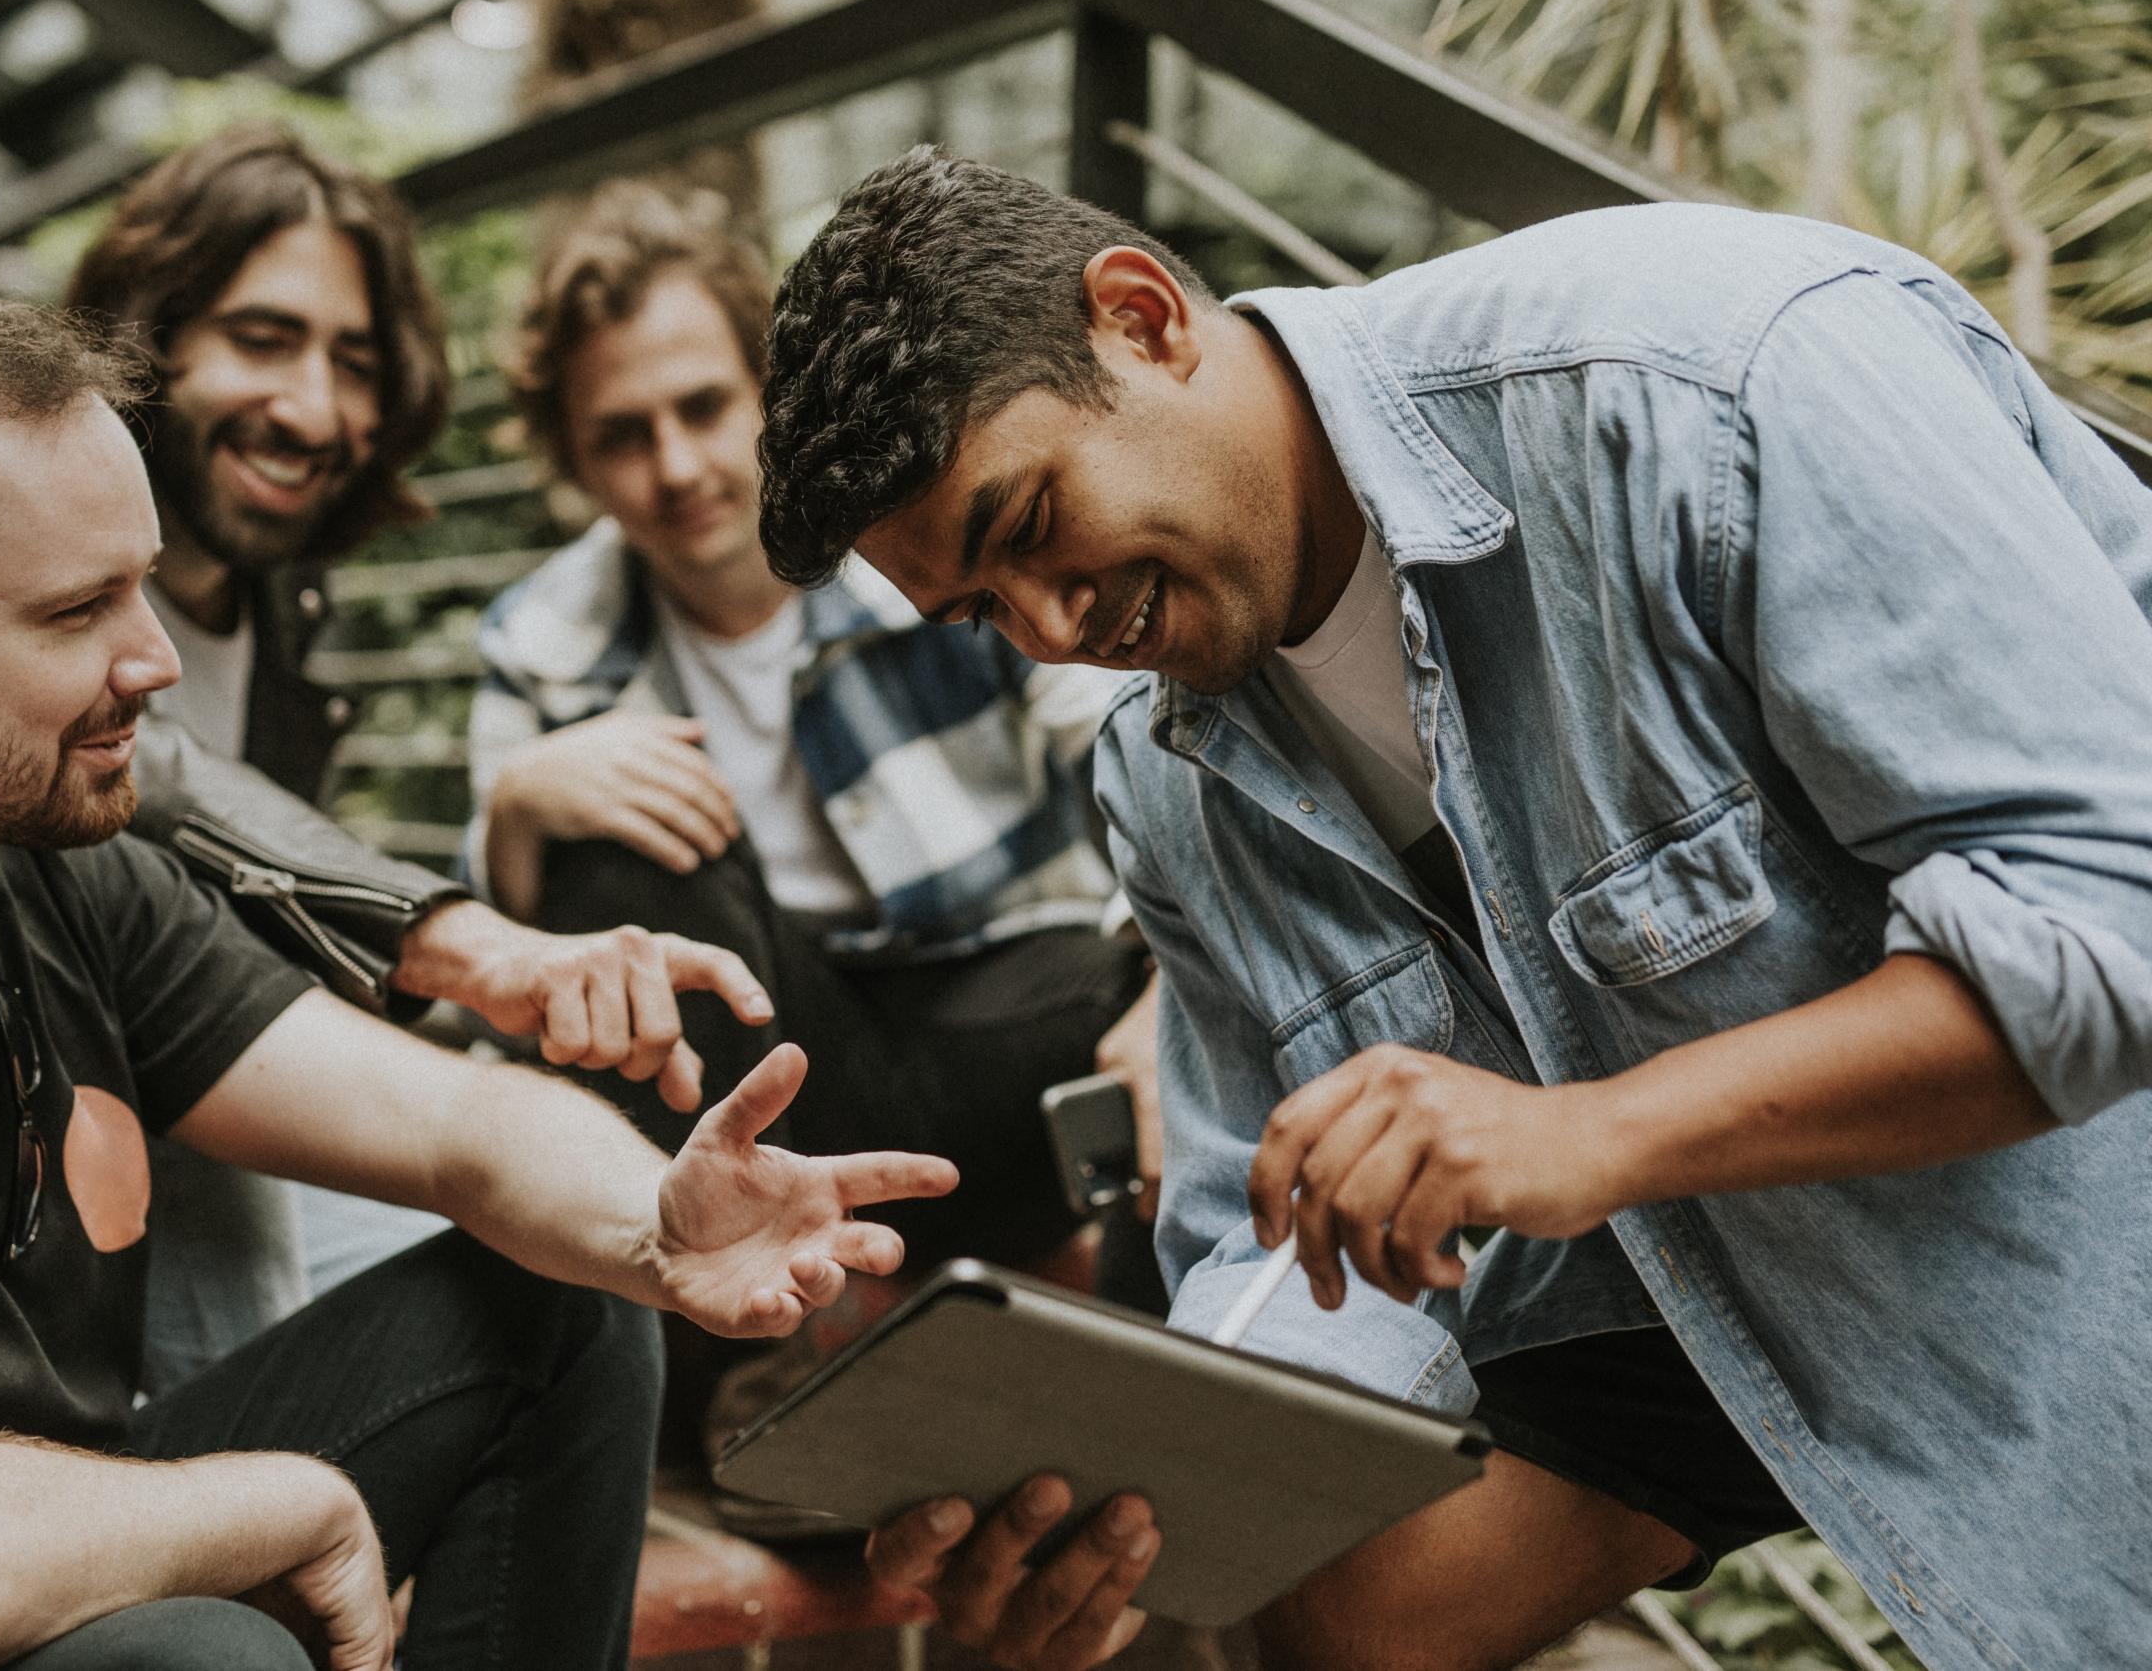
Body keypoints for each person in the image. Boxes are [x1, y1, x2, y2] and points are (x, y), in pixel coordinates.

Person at [751, 149, 2152, 1671]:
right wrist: (1133, 1521)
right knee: (1343, 1613)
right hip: (1675, 1247)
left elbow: (2111, 919)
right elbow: (1274, 1246)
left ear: (1144, 318)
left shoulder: (1716, 371)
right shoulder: (1163, 781)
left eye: (1029, 523)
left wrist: (1587, 1134)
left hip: (2054, 1180)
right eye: (975, 613)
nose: (1048, 631)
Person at [0, 283, 956, 1671]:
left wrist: (657, 1223)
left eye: (144, 580)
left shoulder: (44, 859)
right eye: (77, 611)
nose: (158, 659)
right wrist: (287, 1502)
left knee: (563, 1306)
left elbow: (451, 1123)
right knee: (208, 1653)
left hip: (59, 1517)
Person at [62, 125, 774, 1388]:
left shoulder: (281, 612)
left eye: (355, 361)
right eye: (263, 339)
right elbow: (142, 782)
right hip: (61, 1138)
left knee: (564, 1292)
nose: (316, 409)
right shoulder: (32, 571)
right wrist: (476, 942)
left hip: (224, 1099)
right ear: (147, 337)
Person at [471, 179, 1165, 1292]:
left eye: (702, 408)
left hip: (1005, 1040)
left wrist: (1168, 993)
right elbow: (517, 969)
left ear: (765, 395)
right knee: (598, 856)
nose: (678, 468)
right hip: (755, 1087)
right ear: (575, 461)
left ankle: (1068, 1316)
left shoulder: (921, 541)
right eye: (621, 435)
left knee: (1138, 987)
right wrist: (516, 810)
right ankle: (760, 1306)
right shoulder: (547, 639)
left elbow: (1133, 750)